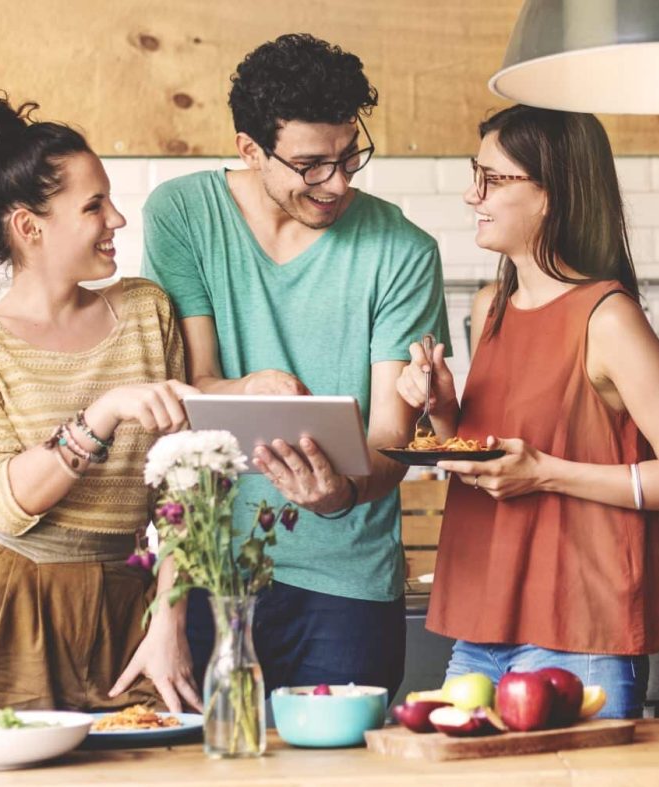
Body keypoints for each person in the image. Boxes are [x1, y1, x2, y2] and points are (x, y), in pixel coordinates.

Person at [141, 34, 450, 701]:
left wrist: (342, 495)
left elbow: (395, 441)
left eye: (348, 157)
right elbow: (192, 383)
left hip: (348, 585)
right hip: (211, 574)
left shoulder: (402, 251)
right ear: (250, 149)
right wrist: (246, 386)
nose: (336, 183)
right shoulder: (184, 216)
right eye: (311, 165)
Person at [395, 105, 659, 719]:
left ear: (552, 193)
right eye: (476, 174)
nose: (473, 194)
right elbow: (488, 462)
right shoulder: (489, 307)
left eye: (493, 179)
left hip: (581, 635)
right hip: (481, 628)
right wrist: (442, 411)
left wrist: (547, 472)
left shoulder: (609, 318)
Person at [0, 84, 202, 717]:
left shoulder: (147, 310)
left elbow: (189, 489)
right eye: (94, 206)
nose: (117, 221)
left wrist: (169, 621)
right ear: (28, 226)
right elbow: (6, 501)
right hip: (5, 601)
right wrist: (103, 412)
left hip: (130, 605)